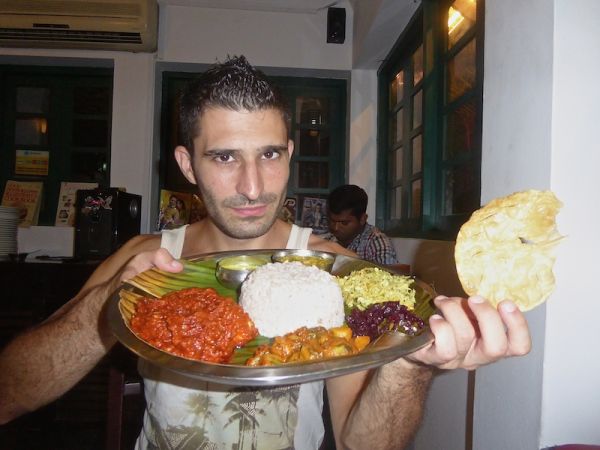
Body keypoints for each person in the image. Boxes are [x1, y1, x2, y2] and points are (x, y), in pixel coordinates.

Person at [0, 56, 531, 450]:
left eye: (270, 154)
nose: (253, 186)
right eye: (225, 156)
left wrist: (411, 366)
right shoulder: (146, 258)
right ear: (187, 165)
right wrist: (108, 305)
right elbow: (11, 393)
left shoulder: (333, 268)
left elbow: (359, 443)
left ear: (290, 154)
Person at [326, 184, 398, 265]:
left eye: (344, 223)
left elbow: (386, 276)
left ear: (362, 219)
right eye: (332, 221)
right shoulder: (329, 238)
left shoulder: (377, 243)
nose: (335, 228)